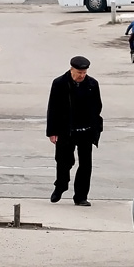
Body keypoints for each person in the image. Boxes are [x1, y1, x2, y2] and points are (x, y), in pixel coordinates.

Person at [46, 55, 104, 206]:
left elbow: (97, 106)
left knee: (86, 165)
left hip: (86, 131)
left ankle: (80, 196)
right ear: (71, 69)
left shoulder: (92, 84)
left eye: (84, 73)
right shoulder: (59, 83)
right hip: (66, 130)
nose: (82, 76)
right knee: (63, 161)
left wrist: (95, 126)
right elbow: (52, 109)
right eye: (79, 72)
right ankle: (60, 186)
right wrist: (52, 132)